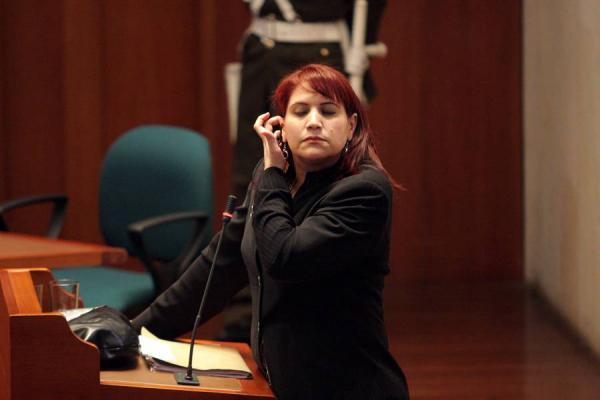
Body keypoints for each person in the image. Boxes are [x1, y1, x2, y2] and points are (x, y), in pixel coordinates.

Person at [132, 64, 409, 399]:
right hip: (277, 384)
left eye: (328, 111)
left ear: (351, 126)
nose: (314, 122)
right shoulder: (271, 177)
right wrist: (135, 332)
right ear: (281, 126)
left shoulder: (364, 191)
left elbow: (284, 257)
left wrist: (272, 174)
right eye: (300, 111)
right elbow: (219, 266)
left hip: (348, 388)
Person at [223, 0, 388, 343]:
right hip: (261, 53)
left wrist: (361, 48)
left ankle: (295, 313)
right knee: (250, 182)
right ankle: (245, 314)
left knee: (319, 191)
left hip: (319, 46)